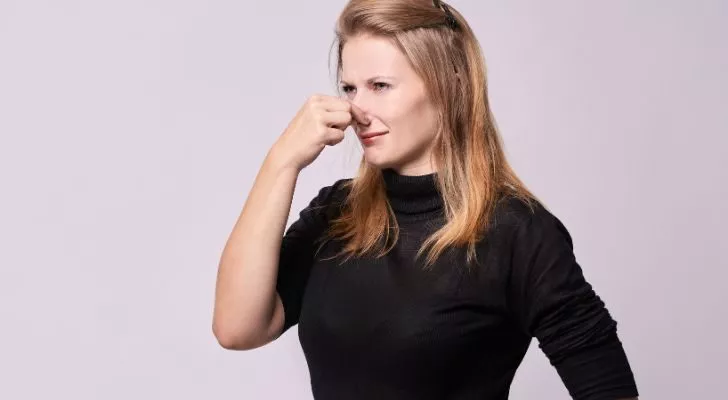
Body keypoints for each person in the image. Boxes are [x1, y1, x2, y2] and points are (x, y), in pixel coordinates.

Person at [212, 1, 639, 399]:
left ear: (447, 83)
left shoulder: (518, 233)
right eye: (349, 88)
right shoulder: (335, 213)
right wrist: (281, 163)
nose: (357, 109)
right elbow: (236, 329)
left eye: (380, 86)